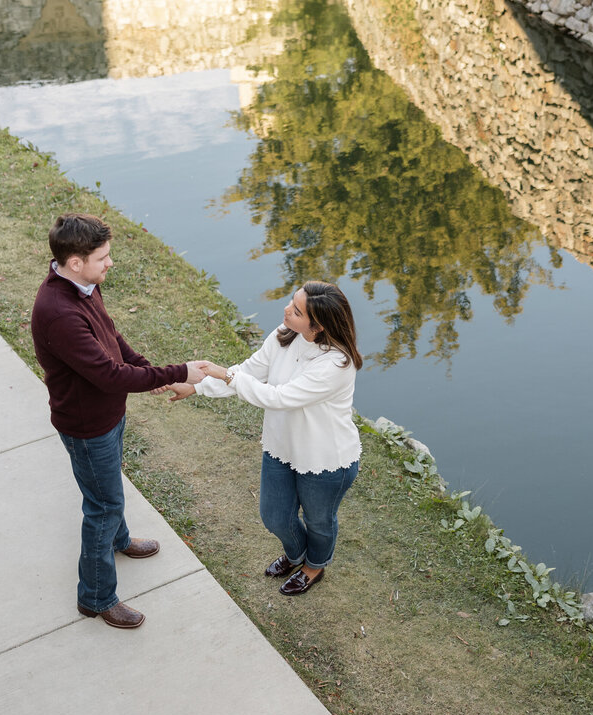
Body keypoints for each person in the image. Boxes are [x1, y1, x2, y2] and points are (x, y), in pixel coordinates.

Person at [31, 212, 210, 629]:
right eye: (103, 256)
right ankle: (95, 597)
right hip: (86, 424)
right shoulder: (59, 311)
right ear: (76, 261)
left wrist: (147, 371)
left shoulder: (83, 286)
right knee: (103, 505)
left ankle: (119, 540)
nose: (110, 263)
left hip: (106, 414)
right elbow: (109, 375)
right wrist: (177, 372)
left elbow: (111, 338)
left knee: (107, 495)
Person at [165, 281, 362, 596]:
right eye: (291, 302)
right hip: (282, 448)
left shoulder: (337, 365)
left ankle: (314, 566)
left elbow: (279, 397)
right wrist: (197, 387)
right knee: (274, 516)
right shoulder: (285, 335)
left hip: (325, 460)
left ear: (319, 326)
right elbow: (250, 373)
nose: (286, 310)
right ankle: (295, 555)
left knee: (319, 521)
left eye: (297, 311)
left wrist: (226, 374)